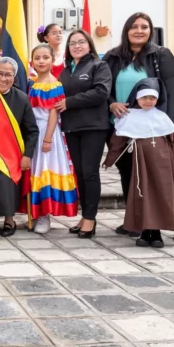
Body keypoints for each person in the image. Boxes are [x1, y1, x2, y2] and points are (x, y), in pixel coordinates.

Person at [103, 12, 174, 236]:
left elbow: (171, 90)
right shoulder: (113, 56)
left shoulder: (161, 55)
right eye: (134, 26)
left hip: (150, 129)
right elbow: (103, 86)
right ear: (126, 30)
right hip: (120, 126)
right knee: (126, 172)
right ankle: (133, 220)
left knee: (149, 175)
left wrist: (172, 121)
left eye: (144, 27)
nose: (139, 30)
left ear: (150, 31)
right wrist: (111, 103)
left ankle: (150, 223)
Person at [104, 78, 174, 248]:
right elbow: (118, 139)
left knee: (161, 194)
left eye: (152, 98)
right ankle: (144, 231)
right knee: (142, 195)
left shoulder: (162, 117)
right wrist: (110, 159)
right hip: (140, 164)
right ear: (137, 98)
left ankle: (156, 234)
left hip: (162, 165)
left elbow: (173, 141)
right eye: (144, 98)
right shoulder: (129, 116)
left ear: (157, 99)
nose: (148, 101)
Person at [56, 30, 111, 238]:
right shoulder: (65, 71)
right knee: (79, 174)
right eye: (72, 43)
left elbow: (101, 93)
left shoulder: (99, 66)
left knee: (90, 172)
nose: (77, 46)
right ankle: (85, 215)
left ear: (89, 45)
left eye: (81, 42)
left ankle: (90, 218)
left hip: (94, 127)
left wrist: (69, 103)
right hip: (71, 127)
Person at [25, 44, 78, 234]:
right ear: (32, 61)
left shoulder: (54, 84)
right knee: (34, 171)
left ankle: (45, 215)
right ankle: (35, 212)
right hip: (33, 131)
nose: (41, 61)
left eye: (45, 57)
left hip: (47, 131)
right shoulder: (32, 83)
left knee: (44, 169)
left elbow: (54, 114)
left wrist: (47, 139)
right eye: (37, 58)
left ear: (52, 59)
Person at [0, 57, 39, 237]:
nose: (3, 78)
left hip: (11, 153)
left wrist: (28, 155)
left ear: (14, 77)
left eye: (8, 75)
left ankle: (9, 219)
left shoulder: (22, 98)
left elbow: (32, 130)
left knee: (6, 181)